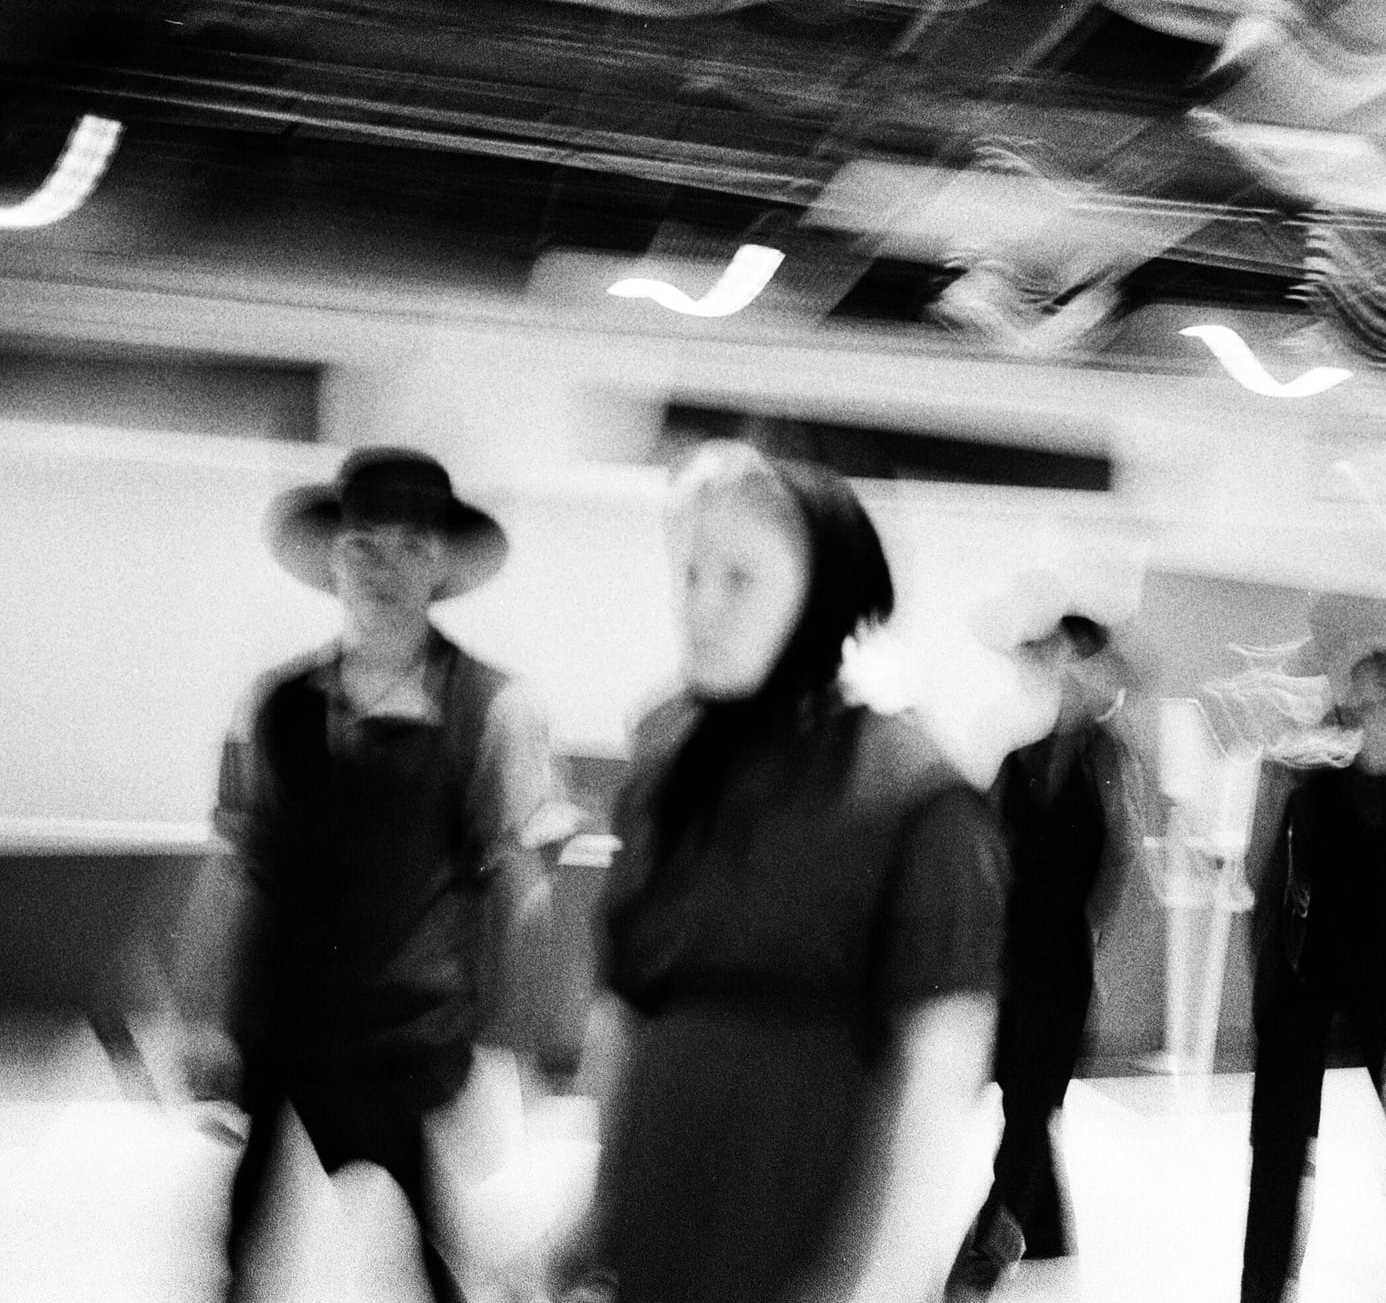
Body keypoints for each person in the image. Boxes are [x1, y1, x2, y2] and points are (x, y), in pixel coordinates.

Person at [576, 442, 1006, 1303]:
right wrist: (591, 1212)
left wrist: (880, 1281)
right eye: (689, 573)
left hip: (803, 1225)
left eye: (740, 578)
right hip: (658, 1220)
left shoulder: (915, 795)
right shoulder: (670, 770)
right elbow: (625, 1011)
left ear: (822, 596)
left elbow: (939, 1068)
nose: (701, 606)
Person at [176, 447, 574, 1303]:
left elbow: (521, 889)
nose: (386, 568)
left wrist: (515, 1053)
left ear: (440, 566)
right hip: (288, 1042)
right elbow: (244, 867)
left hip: (417, 1055)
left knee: (451, 1271)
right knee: (238, 1264)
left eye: (412, 545)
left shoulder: (493, 707)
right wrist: (206, 1011)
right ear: (333, 559)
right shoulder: (279, 704)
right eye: (366, 544)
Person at [948, 612, 1142, 1296]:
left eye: (1077, 660)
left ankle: (991, 1244)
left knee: (1030, 1106)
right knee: (1025, 1102)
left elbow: (1117, 863)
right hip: (1010, 959)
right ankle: (1050, 1232)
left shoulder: (1109, 761)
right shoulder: (1017, 761)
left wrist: (1087, 941)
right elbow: (983, 857)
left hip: (1061, 960)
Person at [1239, 639, 1386, 1303]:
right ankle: (1266, 1284)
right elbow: (1258, 874)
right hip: (1302, 971)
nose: (1381, 705)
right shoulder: (1303, 772)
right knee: (1280, 1145)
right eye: (1371, 693)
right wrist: (1266, 983)